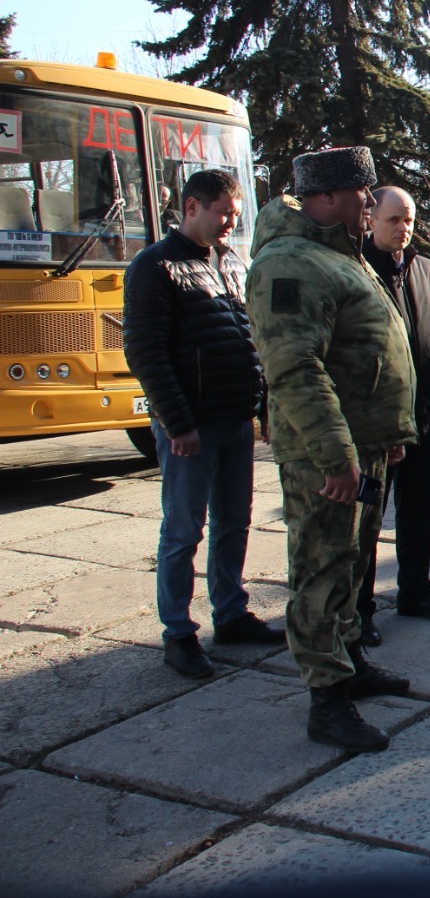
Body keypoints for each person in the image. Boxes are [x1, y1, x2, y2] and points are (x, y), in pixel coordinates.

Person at [245, 146, 417, 754]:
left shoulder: (334, 254)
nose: (369, 203)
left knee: (351, 565)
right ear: (325, 198)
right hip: (327, 457)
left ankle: (349, 664)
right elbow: (295, 370)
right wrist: (338, 456)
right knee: (321, 572)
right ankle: (327, 702)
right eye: (360, 193)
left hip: (362, 447)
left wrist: (385, 437)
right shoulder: (290, 263)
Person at [123, 169, 282, 678]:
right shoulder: (154, 266)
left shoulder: (231, 262)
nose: (229, 225)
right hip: (191, 426)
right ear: (193, 206)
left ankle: (230, 614)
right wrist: (176, 422)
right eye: (223, 215)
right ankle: (178, 633)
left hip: (234, 418)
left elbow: (245, 338)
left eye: (236, 217)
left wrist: (260, 409)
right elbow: (145, 352)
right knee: (184, 530)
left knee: (234, 523)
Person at [354, 186, 430, 647]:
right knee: (367, 519)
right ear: (370, 220)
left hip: (423, 417)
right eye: (393, 219)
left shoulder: (427, 273)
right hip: (377, 423)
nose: (403, 228)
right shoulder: (355, 271)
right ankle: (358, 610)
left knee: (418, 511)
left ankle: (415, 592)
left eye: (409, 220)